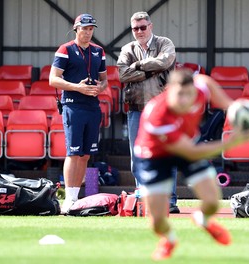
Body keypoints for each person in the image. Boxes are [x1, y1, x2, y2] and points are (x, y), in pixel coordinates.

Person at [134, 69, 249, 261]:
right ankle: (169, 239)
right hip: (154, 157)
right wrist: (234, 141)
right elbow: (192, 152)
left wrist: (235, 109)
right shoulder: (158, 115)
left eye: (189, 94)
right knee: (157, 220)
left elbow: (207, 83)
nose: (185, 100)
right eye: (179, 95)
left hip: (186, 143)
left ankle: (203, 219)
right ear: (168, 91)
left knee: (212, 201)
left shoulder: (200, 89)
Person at [116, 11, 180, 213]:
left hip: (164, 110)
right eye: (135, 28)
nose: (139, 31)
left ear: (150, 26)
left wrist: (138, 66)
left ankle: (169, 201)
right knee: (138, 156)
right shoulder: (127, 48)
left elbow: (165, 62)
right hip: (136, 109)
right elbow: (122, 74)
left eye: (143, 27)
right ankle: (145, 198)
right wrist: (151, 70)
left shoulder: (165, 43)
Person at [49, 13, 108, 214]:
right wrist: (77, 87)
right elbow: (53, 80)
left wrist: (100, 88)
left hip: (92, 106)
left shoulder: (99, 51)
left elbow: (105, 80)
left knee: (84, 155)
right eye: (85, 28)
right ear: (76, 29)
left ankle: (75, 197)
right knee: (73, 153)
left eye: (91, 29)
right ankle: (68, 199)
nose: (88, 32)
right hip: (73, 105)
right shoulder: (65, 49)